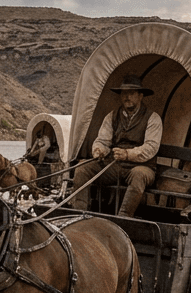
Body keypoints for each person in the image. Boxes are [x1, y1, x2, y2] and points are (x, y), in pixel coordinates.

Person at [69, 75, 162, 216]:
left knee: (139, 175)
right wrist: (99, 150)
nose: (127, 97)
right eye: (124, 93)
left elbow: (151, 147)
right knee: (82, 169)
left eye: (131, 93)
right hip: (116, 166)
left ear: (140, 96)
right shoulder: (112, 116)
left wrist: (127, 154)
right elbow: (103, 140)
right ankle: (79, 214)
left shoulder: (153, 118)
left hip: (143, 166)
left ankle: (123, 218)